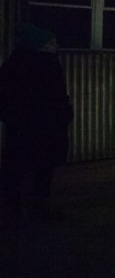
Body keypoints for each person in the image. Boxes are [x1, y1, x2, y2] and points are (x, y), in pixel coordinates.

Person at [0, 23, 74, 227]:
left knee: (17, 167)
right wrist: (65, 114)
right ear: (38, 44)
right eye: (51, 42)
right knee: (42, 167)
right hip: (45, 128)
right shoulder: (47, 65)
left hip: (21, 127)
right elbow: (57, 98)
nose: (55, 46)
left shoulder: (13, 64)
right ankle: (37, 208)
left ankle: (13, 210)